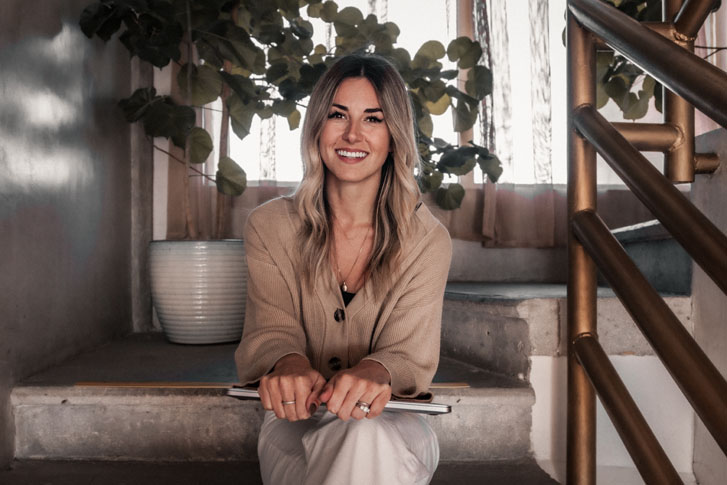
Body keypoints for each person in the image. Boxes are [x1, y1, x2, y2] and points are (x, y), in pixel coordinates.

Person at [234, 53, 452, 485]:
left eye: (373, 119)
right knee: (354, 448)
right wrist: (288, 362)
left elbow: (409, 353)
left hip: (395, 424)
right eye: (338, 115)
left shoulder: (427, 240)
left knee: (364, 439)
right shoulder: (270, 226)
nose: (353, 134)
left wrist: (377, 372)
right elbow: (270, 327)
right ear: (317, 127)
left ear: (394, 136)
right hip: (296, 424)